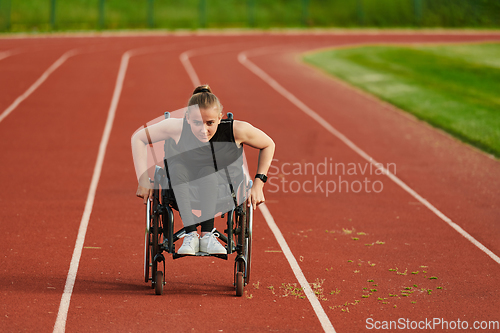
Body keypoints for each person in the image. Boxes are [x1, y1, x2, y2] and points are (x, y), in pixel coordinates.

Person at [132, 85, 275, 255]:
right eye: (197, 123)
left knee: (209, 169)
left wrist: (258, 184)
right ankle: (190, 234)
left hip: (221, 191)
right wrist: (143, 179)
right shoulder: (176, 127)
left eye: (210, 123)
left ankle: (207, 236)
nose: (203, 130)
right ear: (187, 118)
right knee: (176, 166)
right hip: (180, 186)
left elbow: (268, 144)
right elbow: (138, 138)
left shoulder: (235, 130)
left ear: (220, 118)